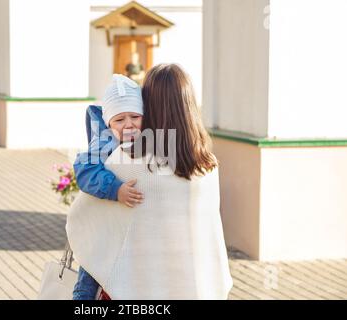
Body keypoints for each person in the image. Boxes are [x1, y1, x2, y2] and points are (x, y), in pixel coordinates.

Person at [67, 64, 233, 299]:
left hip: (136, 288)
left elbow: (83, 220)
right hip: (195, 286)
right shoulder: (209, 165)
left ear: (149, 106)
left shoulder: (125, 161)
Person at [71, 74, 145, 300]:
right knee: (90, 273)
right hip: (102, 227)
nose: (128, 124)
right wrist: (116, 189)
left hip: (126, 232)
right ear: (108, 123)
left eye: (134, 116)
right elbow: (85, 169)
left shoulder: (149, 141)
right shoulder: (105, 141)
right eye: (119, 120)